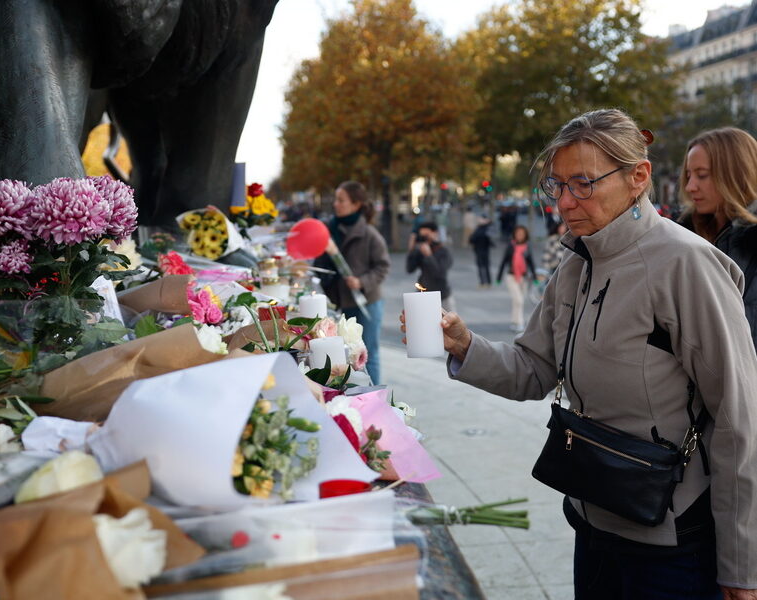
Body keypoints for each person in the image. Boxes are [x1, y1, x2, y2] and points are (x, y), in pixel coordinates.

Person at [401, 109, 757, 599]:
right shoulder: (576, 259)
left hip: (671, 541)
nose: (565, 202)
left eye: (584, 183)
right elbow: (533, 369)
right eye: (557, 185)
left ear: (638, 177)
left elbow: (740, 418)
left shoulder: (686, 264)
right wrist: (463, 343)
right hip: (593, 516)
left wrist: (742, 567)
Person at [679, 127, 757, 350]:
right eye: (688, 175)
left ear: (737, 173)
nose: (690, 186)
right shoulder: (683, 238)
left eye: (702, 175)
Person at [315, 181, 390, 384]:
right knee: (349, 354)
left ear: (356, 205)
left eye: (341, 200)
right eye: (336, 199)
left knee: (368, 354)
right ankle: (356, 395)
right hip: (342, 301)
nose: (336, 204)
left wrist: (361, 281)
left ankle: (374, 398)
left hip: (367, 303)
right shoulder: (330, 230)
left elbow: (383, 267)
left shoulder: (369, 234)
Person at [406, 221, 455, 312]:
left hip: (442, 295)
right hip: (423, 294)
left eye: (427, 235)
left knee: (448, 324)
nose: (425, 239)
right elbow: (409, 269)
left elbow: (440, 273)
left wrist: (429, 256)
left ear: (435, 233)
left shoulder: (443, 251)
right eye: (422, 236)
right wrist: (411, 250)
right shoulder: (420, 250)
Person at [496, 224, 536, 332]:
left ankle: (514, 321)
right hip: (511, 276)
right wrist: (498, 277)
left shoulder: (527, 247)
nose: (520, 236)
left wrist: (535, 278)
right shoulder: (511, 246)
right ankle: (520, 323)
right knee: (519, 300)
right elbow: (504, 261)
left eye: (522, 234)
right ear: (514, 235)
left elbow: (531, 262)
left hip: (524, 278)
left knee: (518, 301)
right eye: (518, 234)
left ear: (525, 235)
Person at [469, 215, 494, 287]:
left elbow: (472, 239)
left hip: (481, 250)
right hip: (482, 250)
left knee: (482, 267)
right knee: (484, 267)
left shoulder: (482, 229)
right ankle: (486, 282)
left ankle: (484, 282)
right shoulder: (484, 229)